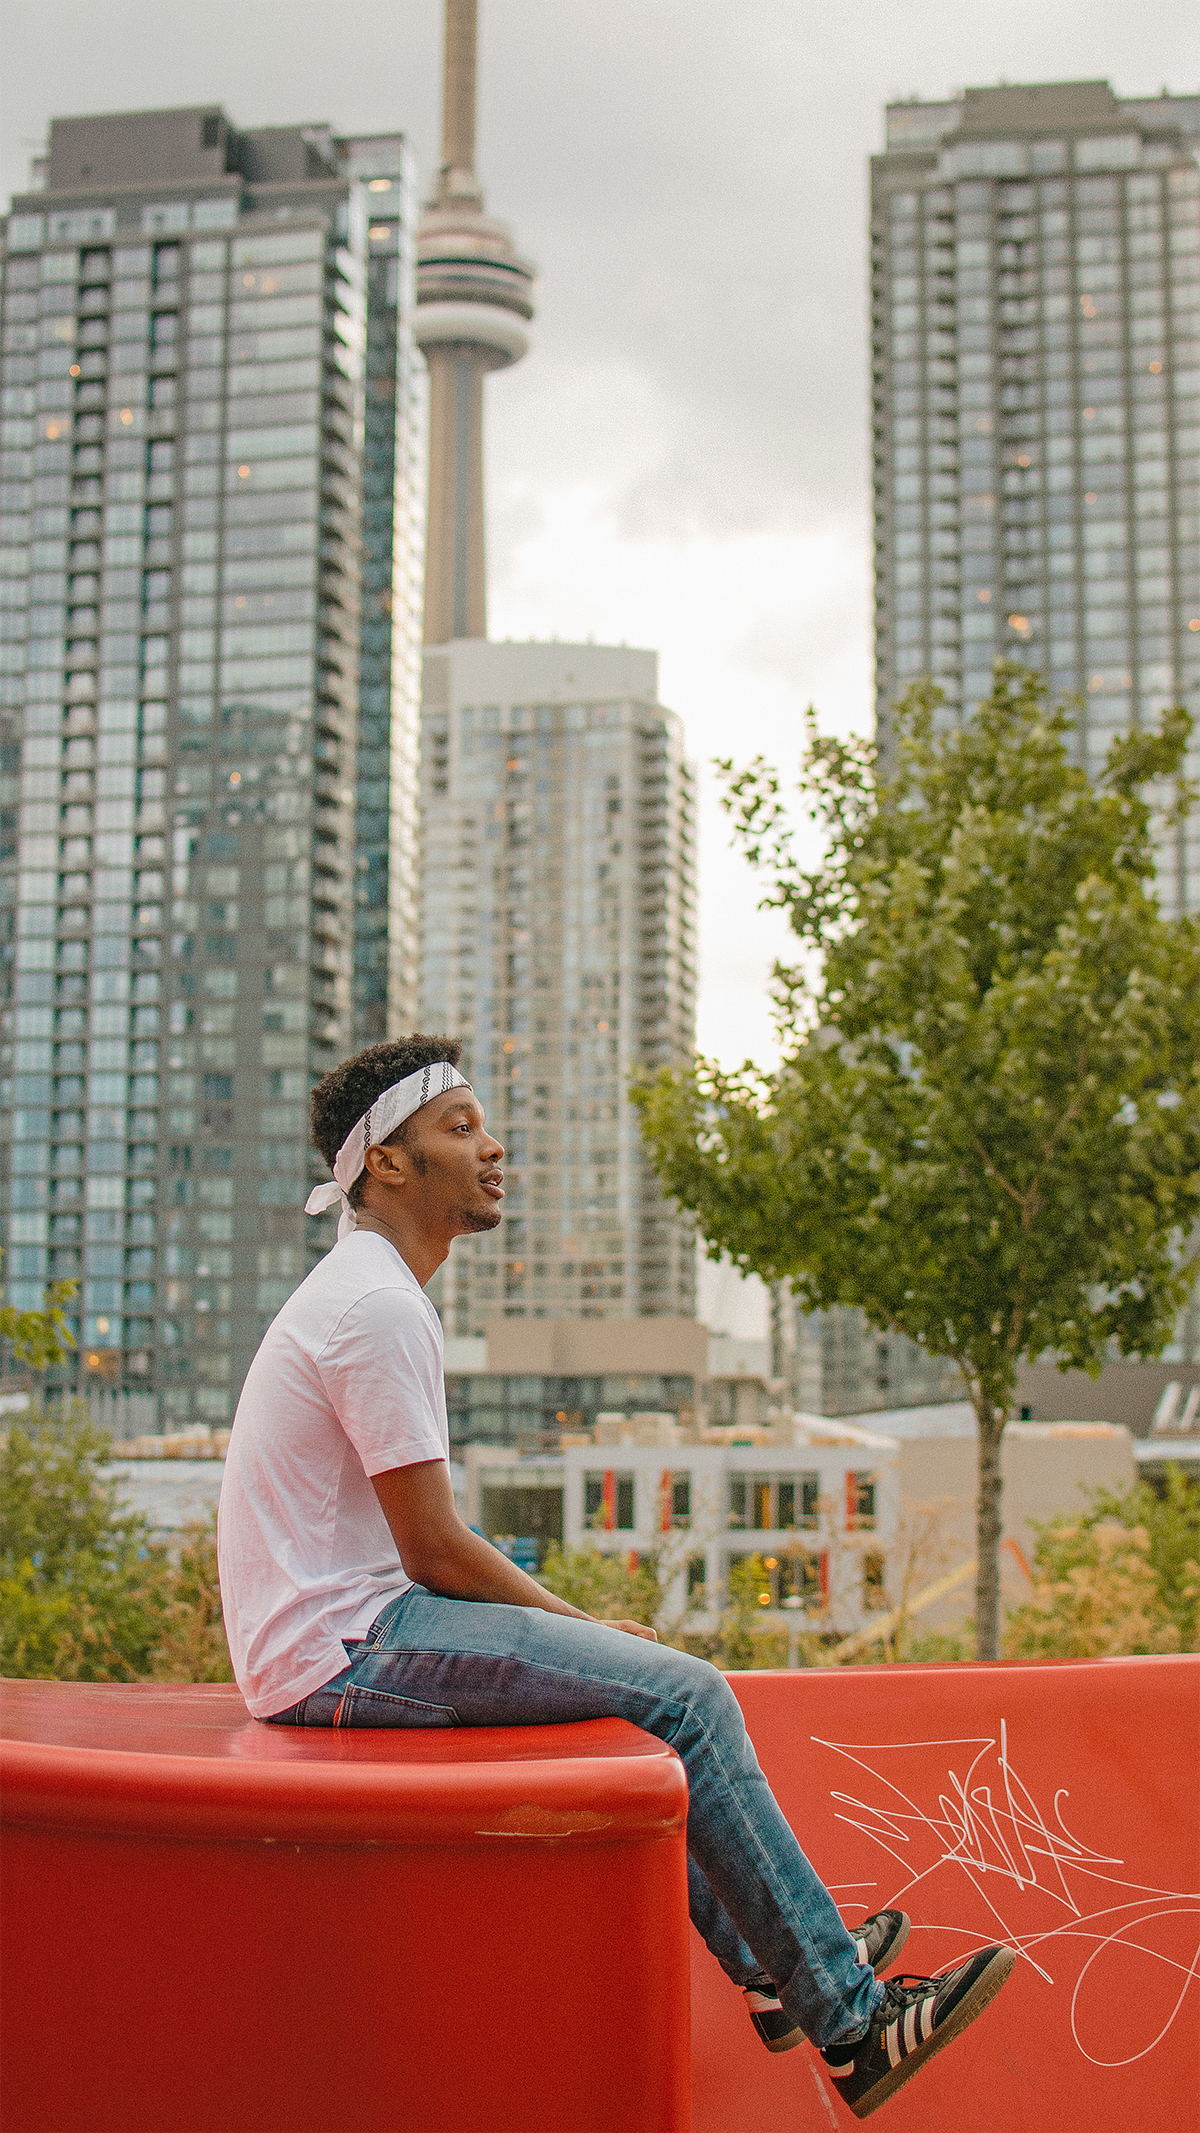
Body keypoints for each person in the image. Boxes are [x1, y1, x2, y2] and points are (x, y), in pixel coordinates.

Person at [218, 1036, 1015, 2119]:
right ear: (388, 1166)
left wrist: (585, 1641)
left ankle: (773, 1969)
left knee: (647, 1702)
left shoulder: (370, 1290)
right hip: (342, 1649)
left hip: (341, 1630)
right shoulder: (377, 1307)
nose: (493, 1147)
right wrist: (586, 1626)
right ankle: (853, 2025)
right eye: (460, 1128)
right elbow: (433, 1547)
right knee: (689, 1693)